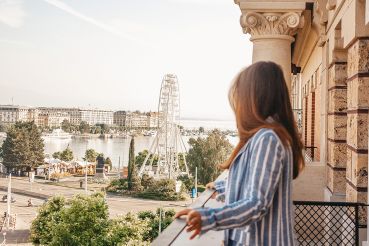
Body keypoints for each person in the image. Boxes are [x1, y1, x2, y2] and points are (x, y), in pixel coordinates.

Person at [175, 61, 304, 245]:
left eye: (241, 97)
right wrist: (221, 187)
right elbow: (252, 183)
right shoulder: (266, 136)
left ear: (255, 98)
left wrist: (209, 217)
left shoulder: (268, 138)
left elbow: (256, 204)